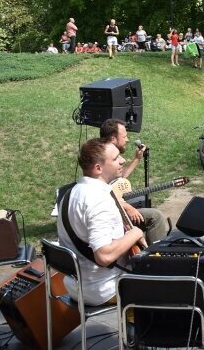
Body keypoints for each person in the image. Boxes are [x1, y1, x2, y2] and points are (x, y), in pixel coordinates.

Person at [57, 139, 147, 305]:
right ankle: (136, 328)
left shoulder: (71, 193)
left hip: (76, 285)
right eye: (115, 158)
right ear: (98, 168)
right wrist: (136, 233)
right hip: (104, 288)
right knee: (164, 286)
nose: (123, 160)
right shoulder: (98, 200)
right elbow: (104, 256)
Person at [98, 120, 168, 243]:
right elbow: (98, 190)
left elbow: (119, 178)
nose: (127, 139)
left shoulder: (106, 154)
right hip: (110, 213)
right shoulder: (100, 156)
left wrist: (137, 158)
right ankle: (156, 257)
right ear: (113, 138)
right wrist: (126, 206)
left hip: (117, 207)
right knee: (155, 217)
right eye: (124, 136)